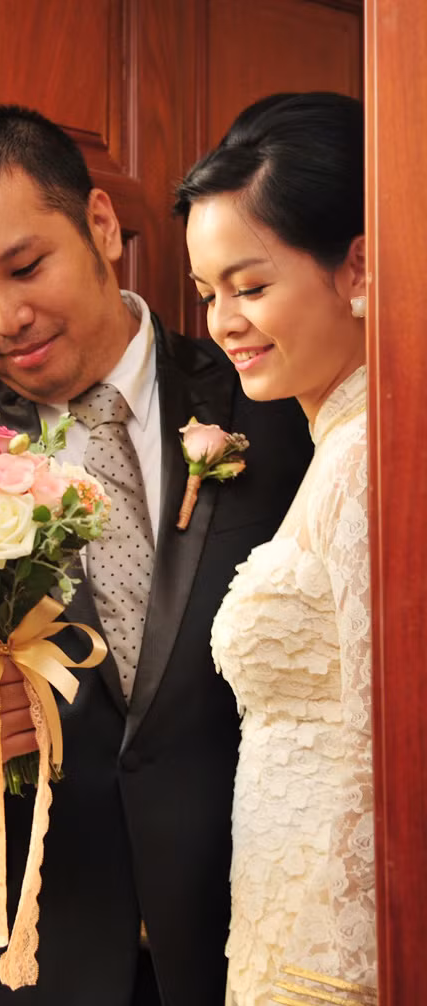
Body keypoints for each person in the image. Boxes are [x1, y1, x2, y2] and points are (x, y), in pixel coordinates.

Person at [0, 105, 311, 1006]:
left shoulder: (271, 401)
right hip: (27, 947)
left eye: (25, 268)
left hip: (249, 928)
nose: (5, 318)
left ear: (99, 225)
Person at [174, 91, 375, 1006]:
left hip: (338, 958)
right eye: (208, 294)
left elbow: (389, 751)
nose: (223, 322)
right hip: (284, 929)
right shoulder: (339, 445)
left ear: (356, 267)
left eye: (250, 287)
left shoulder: (372, 458)